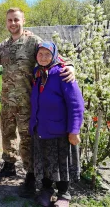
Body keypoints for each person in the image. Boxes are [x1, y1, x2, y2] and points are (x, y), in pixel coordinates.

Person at [0, 8, 75, 197]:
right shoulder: (3, 46)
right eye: (9, 20)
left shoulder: (33, 41)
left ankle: (30, 176)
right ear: (6, 23)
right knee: (7, 133)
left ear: (23, 20)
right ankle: (9, 165)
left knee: (27, 140)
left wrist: (70, 66)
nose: (13, 24)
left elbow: (53, 56)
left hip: (27, 103)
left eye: (16, 20)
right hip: (6, 101)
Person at [30, 41, 84, 207]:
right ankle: (46, 190)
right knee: (45, 161)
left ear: (54, 55)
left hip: (60, 129)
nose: (44, 57)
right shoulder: (37, 74)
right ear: (36, 56)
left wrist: (74, 130)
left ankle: (64, 194)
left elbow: (76, 104)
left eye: (47, 54)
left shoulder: (63, 73)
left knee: (62, 163)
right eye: (40, 54)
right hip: (41, 128)